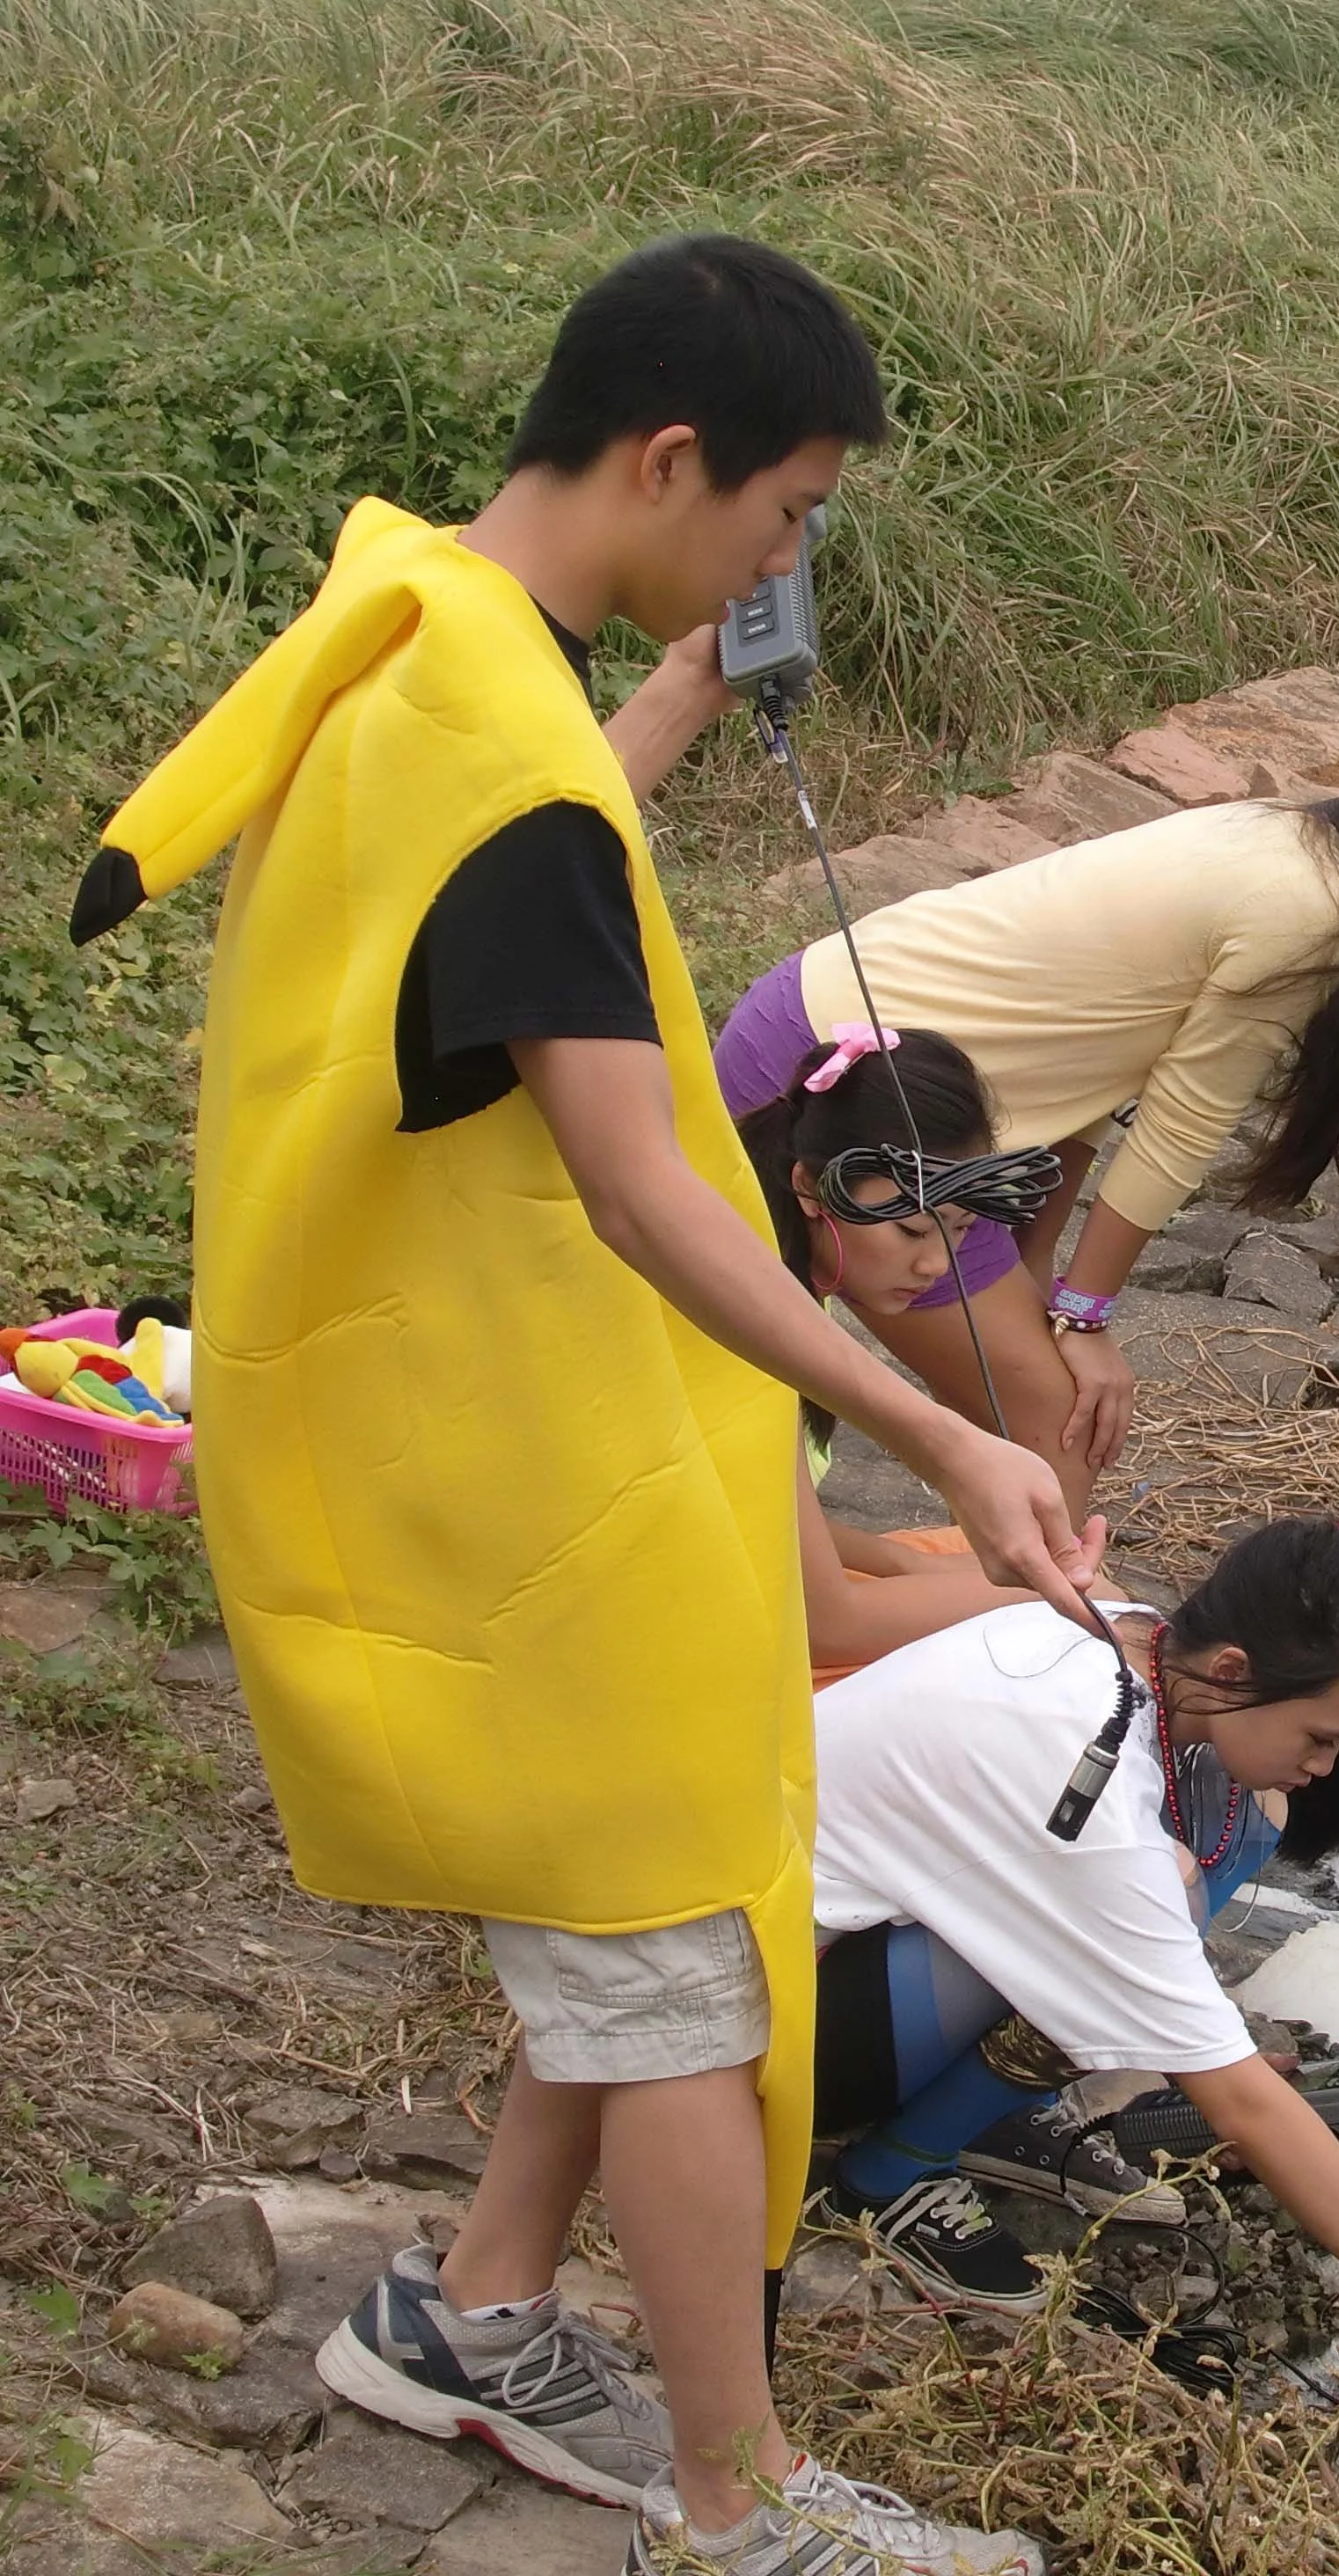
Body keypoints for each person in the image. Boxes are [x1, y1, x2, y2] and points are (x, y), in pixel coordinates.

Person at [70, 234, 1094, 2576]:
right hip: (505, 1480)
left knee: (641, 1934)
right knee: (679, 1986)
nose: (785, 557)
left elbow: (514, 894)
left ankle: (470, 2318)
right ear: (668, 460)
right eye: (783, 511)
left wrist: (674, 712)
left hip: (448, 1431)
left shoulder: (426, 643)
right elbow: (644, 1196)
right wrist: (946, 1429)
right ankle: (743, 2515)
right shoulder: (502, 767)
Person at [699, 732, 1339, 1519]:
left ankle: (980, 1630)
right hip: (854, 1085)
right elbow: (1179, 1124)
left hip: (824, 1028)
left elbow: (1090, 1068)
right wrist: (1084, 1323)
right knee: (1061, 1429)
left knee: (1005, 1417)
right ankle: (1028, 1669)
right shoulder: (1321, 916)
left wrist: (1046, 1283)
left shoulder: (1288, 839)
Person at [805, 1518, 1339, 2426]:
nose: (1326, 1765)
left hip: (861, 1949)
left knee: (1242, 1820)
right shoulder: (1078, 1780)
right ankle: (895, 2172)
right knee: (1128, 1922)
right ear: (1236, 1670)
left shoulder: (1123, 1629)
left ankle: (979, 2111)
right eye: (1321, 1735)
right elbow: (1241, 2100)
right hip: (776, 2030)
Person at [739, 1021, 1110, 1681]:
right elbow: (828, 1625)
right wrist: (1088, 1599)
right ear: (809, 1187)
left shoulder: (779, 1273)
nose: (937, 1262)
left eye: (962, 1230)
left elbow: (762, 1520)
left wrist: (909, 1566)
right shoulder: (744, 1319)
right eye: (912, 1229)